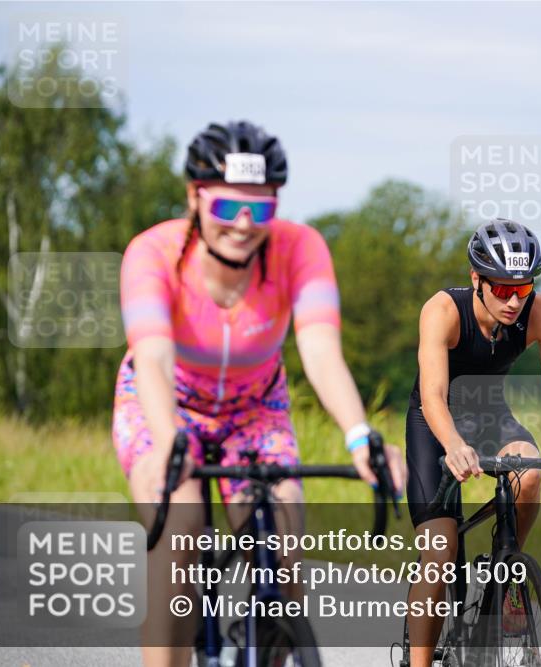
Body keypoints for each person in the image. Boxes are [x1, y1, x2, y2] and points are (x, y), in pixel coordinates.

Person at [111, 120, 406, 667]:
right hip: (166, 405)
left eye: (262, 209)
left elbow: (319, 350)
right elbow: (151, 354)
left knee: (286, 542)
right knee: (179, 532)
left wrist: (360, 434)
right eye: (227, 208)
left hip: (254, 409)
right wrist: (169, 444)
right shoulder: (152, 253)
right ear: (195, 198)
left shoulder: (301, 248)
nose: (244, 225)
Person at [404, 218, 541, 665]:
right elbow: (433, 395)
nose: (515, 301)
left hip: (491, 416)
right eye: (502, 290)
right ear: (476, 279)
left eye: (524, 288)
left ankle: (507, 572)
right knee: (440, 551)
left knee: (530, 470)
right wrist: (454, 444)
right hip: (434, 422)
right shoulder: (441, 311)